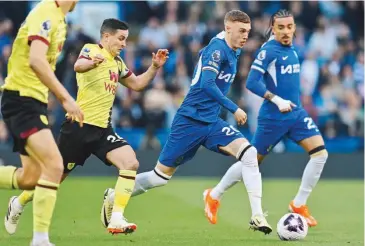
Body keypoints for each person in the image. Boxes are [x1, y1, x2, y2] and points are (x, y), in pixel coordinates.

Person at [101, 10, 272, 235]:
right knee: (159, 178)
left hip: (212, 122)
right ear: (227, 28)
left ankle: (257, 215)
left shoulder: (231, 49)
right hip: (189, 121)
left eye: (247, 32)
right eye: (241, 31)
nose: (245, 36)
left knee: (249, 154)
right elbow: (207, 85)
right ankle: (114, 195)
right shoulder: (217, 49)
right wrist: (234, 107)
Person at [4, 18, 169, 236]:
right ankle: (19, 201)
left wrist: (154, 67)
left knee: (130, 162)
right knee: (53, 178)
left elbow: (137, 84)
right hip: (78, 128)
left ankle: (117, 217)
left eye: (126, 40)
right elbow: (78, 65)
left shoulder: (118, 63)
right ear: (106, 36)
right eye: (121, 39)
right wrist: (92, 63)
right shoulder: (91, 49)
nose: (124, 44)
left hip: (103, 130)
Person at [204, 9, 328, 227]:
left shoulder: (293, 49)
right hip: (273, 117)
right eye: (281, 27)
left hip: (295, 113)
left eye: (290, 27)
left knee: (320, 154)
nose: (286, 31)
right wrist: (276, 99)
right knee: (251, 162)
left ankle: (299, 203)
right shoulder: (268, 51)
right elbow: (251, 82)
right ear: (273, 28)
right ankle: (214, 195)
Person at [0, 1, 82, 245]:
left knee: (30, 177)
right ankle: (40, 240)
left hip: (32, 102)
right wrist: (65, 98)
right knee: (54, 165)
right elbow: (36, 60)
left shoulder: (58, 17)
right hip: (21, 99)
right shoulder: (46, 13)